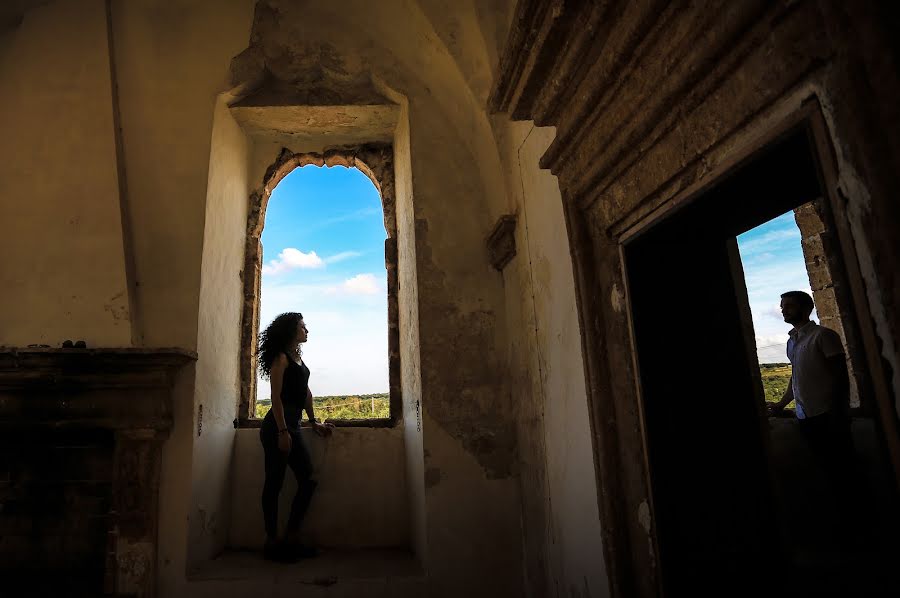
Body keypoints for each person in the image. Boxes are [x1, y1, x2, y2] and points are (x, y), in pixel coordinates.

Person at [768, 290, 859, 543]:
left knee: (845, 475)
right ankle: (844, 527)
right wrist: (781, 404)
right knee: (828, 474)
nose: (783, 310)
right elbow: (796, 379)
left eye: (788, 306)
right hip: (807, 419)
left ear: (804, 308)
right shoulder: (792, 341)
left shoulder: (824, 336)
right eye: (782, 306)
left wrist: (838, 414)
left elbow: (840, 379)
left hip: (828, 417)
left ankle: (858, 529)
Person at [257, 312, 333, 562]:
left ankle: (291, 537)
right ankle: (272, 542)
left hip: (294, 425)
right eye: (303, 327)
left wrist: (314, 422)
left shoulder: (298, 359)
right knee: (274, 483)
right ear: (292, 331)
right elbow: (275, 398)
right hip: (277, 427)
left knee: (308, 480)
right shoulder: (281, 358)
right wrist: (282, 431)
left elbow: (306, 393)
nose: (307, 330)